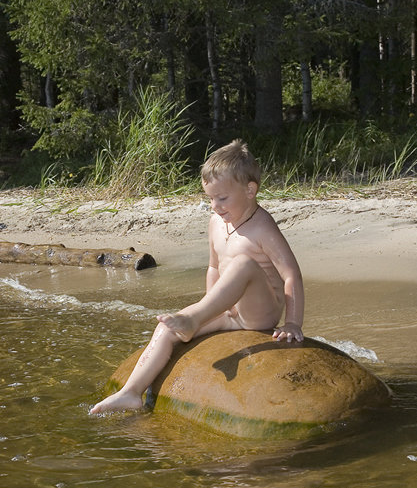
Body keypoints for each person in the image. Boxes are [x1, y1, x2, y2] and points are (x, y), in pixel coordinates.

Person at [90, 139, 304, 415]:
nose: (215, 206)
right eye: (210, 198)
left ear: (250, 190)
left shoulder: (262, 227)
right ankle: (131, 392)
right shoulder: (216, 223)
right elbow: (214, 267)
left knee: (244, 264)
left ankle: (194, 319)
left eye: (222, 198)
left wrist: (294, 323)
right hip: (227, 311)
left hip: (259, 313)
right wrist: (209, 307)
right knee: (166, 328)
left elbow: (291, 274)